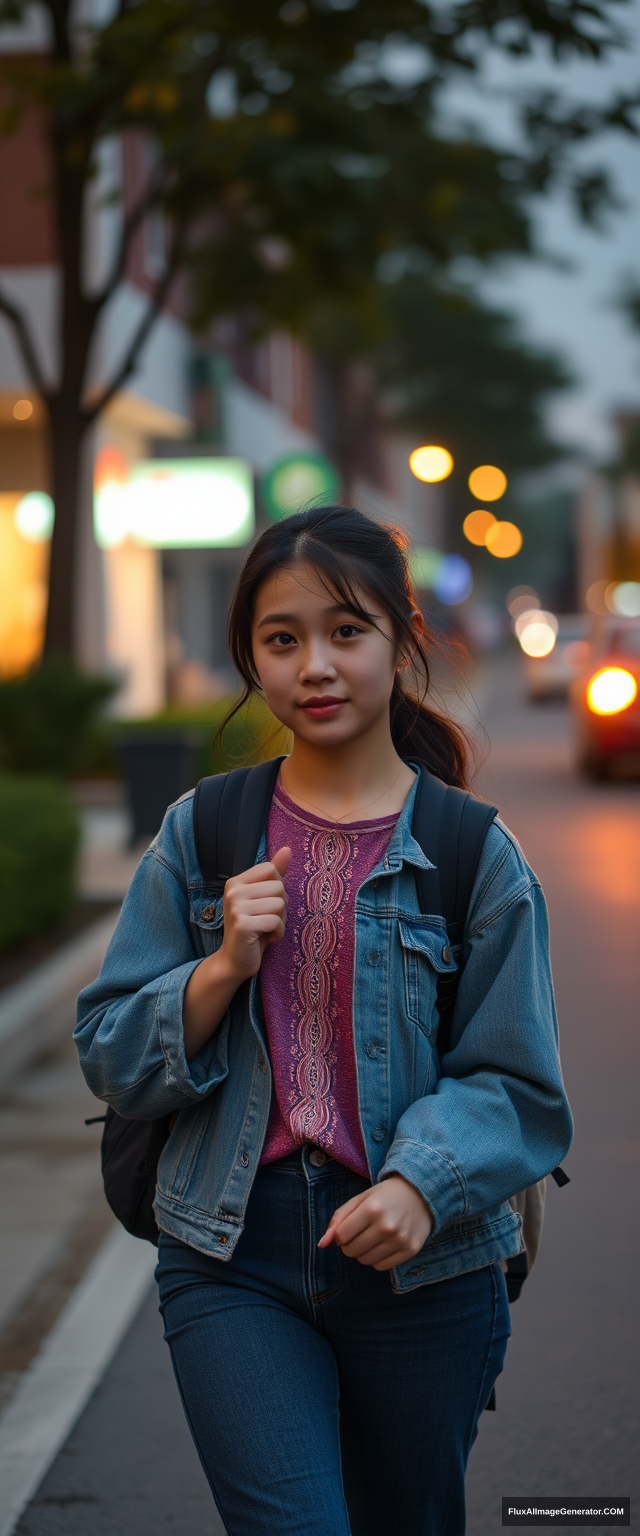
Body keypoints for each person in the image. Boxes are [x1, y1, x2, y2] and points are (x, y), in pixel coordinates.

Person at [75, 506, 572, 1536]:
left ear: (400, 640)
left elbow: (518, 1090)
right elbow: (110, 1054)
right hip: (230, 1253)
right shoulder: (200, 832)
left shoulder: (474, 854)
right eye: (281, 637)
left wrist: (419, 1185)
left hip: (420, 1263)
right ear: (250, 658)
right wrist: (217, 971)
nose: (316, 664)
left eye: (346, 630)